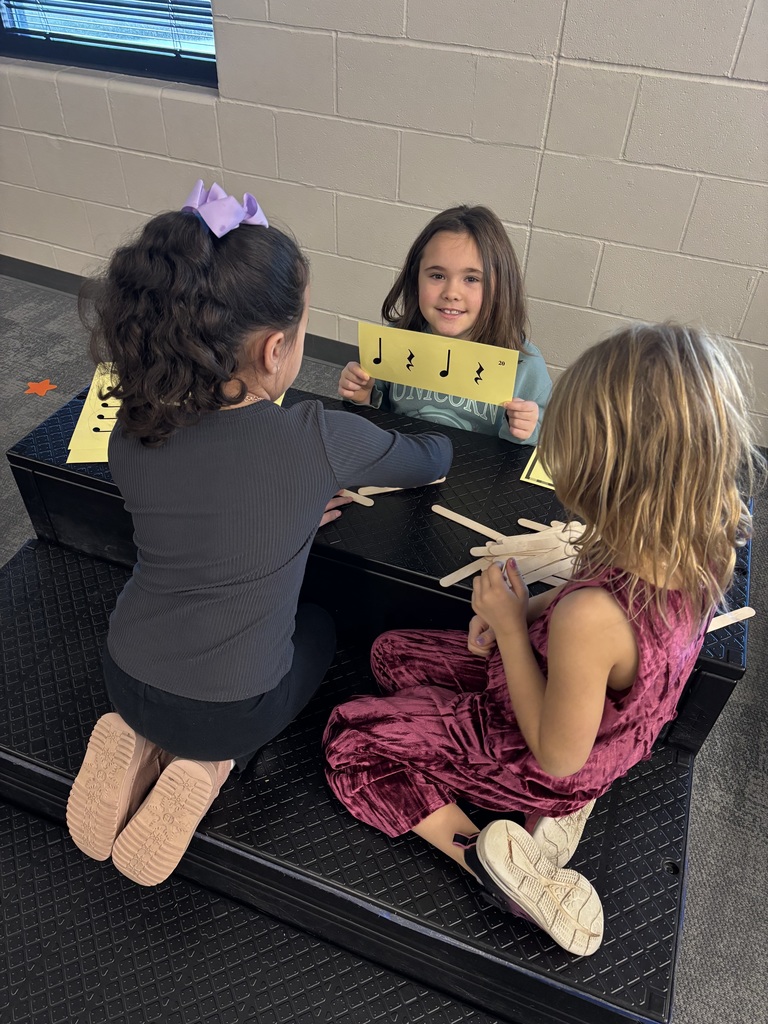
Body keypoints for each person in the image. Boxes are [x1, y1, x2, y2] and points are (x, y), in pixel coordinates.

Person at [324, 322, 764, 956]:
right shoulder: (689, 537)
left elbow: (557, 751)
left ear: (613, 475)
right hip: (605, 728)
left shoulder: (592, 618)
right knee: (390, 655)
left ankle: (488, 861)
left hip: (554, 756)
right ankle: (552, 818)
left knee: (352, 741)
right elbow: (584, 589)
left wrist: (508, 629)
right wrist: (524, 606)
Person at [66, 181, 452, 887]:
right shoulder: (319, 439)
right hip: (230, 713)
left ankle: (137, 737)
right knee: (322, 627)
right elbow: (431, 461)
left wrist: (293, 505)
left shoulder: (132, 428)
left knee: (173, 646)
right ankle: (208, 766)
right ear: (277, 349)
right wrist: (302, 498)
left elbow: (211, 504)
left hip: (125, 671)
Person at [337, 205, 552, 445]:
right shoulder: (394, 342)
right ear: (415, 279)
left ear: (500, 287)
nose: (451, 293)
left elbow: (543, 444)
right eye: (437, 276)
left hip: (477, 477)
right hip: (403, 466)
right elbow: (378, 422)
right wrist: (362, 396)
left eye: (471, 279)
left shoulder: (525, 366)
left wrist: (527, 429)